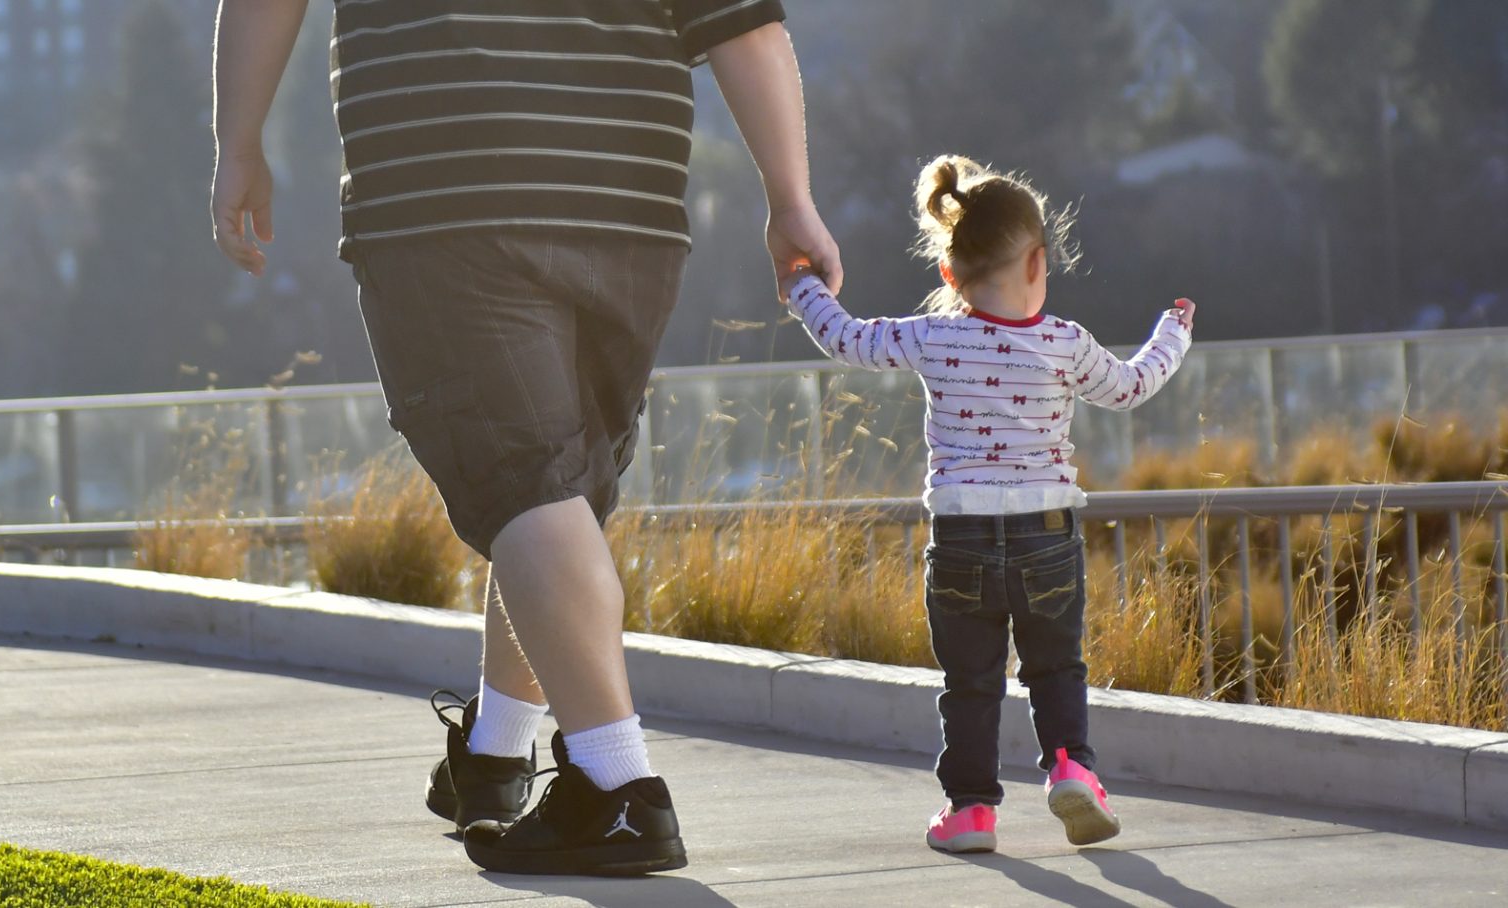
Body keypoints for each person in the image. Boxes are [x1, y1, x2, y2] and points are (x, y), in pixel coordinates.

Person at [212, 0, 841, 876]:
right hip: (629, 207)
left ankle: (617, 789)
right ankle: (498, 751)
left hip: (447, 193)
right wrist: (789, 198)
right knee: (554, 494)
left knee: (528, 488)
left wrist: (238, 143)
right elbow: (742, 21)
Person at [781, 154, 1196, 854]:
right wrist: (1173, 332)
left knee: (970, 683)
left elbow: (846, 338)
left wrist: (802, 286)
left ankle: (971, 811)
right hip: (1047, 533)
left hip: (962, 536)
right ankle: (1071, 768)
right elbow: (1131, 386)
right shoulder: (1066, 343)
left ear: (949, 273)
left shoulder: (933, 335)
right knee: (1056, 667)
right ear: (1038, 261)